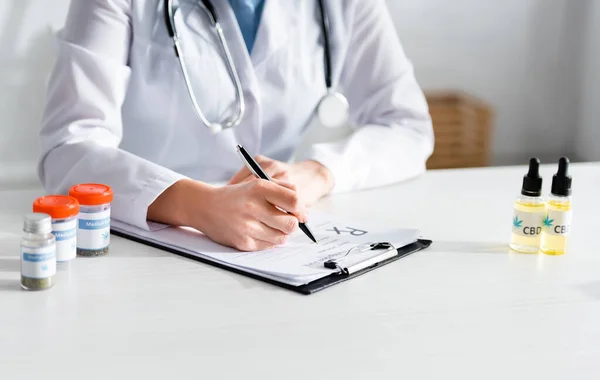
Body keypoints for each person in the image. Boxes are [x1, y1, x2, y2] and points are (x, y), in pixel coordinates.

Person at [38, 0, 434, 251]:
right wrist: (198, 205)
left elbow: (407, 126)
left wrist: (315, 174)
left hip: (273, 241)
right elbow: (67, 148)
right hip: (144, 240)